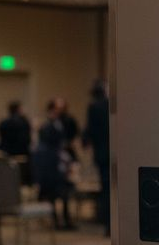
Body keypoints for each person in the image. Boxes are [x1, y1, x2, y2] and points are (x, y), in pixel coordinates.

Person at [34, 100, 75, 229]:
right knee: (54, 194)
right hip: (52, 165)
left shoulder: (63, 122)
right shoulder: (47, 126)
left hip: (60, 163)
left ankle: (66, 219)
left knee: (65, 193)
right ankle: (56, 221)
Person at [82, 79, 111, 233]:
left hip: (101, 154)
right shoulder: (110, 104)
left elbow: (89, 130)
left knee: (105, 189)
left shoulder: (93, 106)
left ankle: (107, 224)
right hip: (114, 152)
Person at [0, 100, 33, 184]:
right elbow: (26, 140)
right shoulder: (23, 122)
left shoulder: (3, 123)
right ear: (19, 109)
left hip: (7, 154)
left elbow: (1, 139)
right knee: (22, 179)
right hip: (22, 155)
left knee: (8, 179)